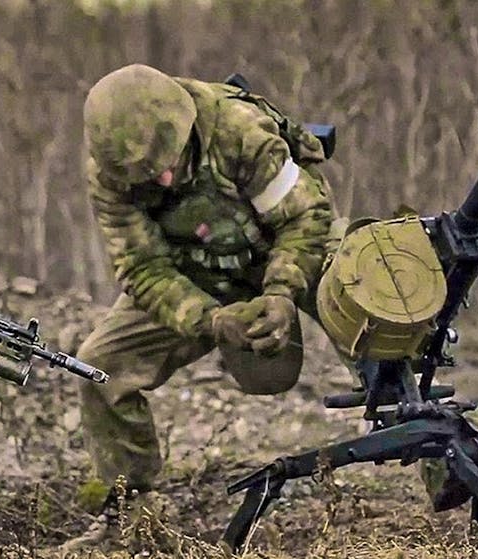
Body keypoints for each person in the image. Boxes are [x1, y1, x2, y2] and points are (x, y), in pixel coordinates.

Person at [65, 63, 335, 547]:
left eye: (169, 162)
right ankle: (131, 511)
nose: (166, 178)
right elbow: (143, 269)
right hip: (199, 270)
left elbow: (306, 216)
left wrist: (280, 292)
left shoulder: (238, 129)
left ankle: (443, 454)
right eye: (150, 176)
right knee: (101, 366)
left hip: (288, 245)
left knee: (366, 296)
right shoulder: (110, 176)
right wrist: (210, 319)